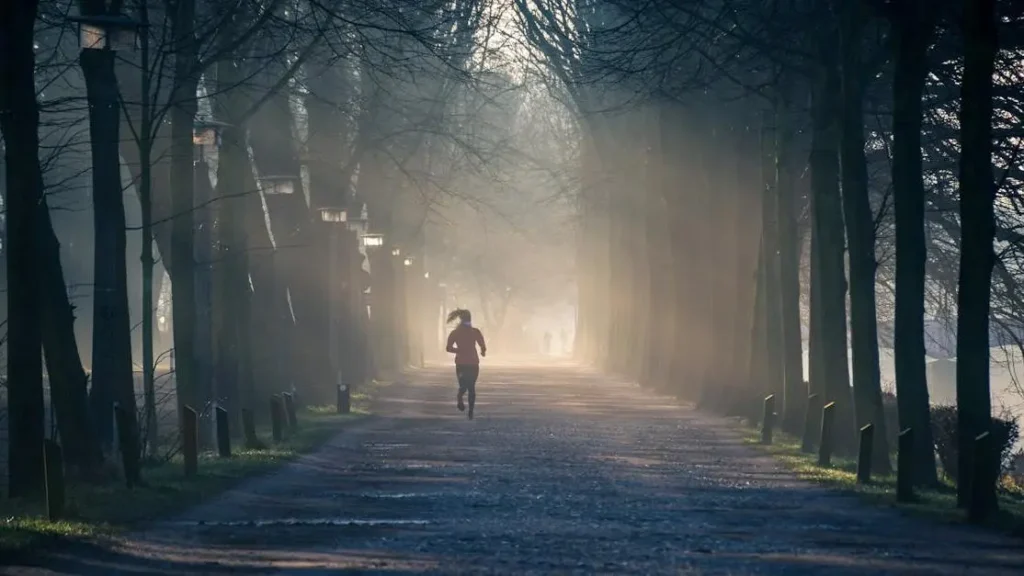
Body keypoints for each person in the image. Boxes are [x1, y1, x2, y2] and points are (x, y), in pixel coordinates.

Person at [445, 308, 486, 419]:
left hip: (463, 363)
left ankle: (466, 405)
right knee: (469, 386)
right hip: (471, 363)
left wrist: (458, 351)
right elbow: (482, 345)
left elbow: (448, 348)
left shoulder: (457, 333)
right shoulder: (474, 331)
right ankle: (467, 406)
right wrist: (483, 351)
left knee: (466, 386)